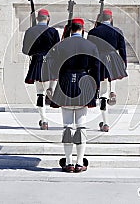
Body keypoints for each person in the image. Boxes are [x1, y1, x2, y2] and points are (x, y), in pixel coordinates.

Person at [49, 18, 100, 173]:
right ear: (82, 29)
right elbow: (96, 69)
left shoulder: (61, 45)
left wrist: (52, 88)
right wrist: (95, 88)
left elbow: (53, 67)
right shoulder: (91, 45)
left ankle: (69, 162)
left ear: (70, 29)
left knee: (67, 126)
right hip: (84, 83)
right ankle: (79, 162)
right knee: (81, 125)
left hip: (65, 84)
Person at [87, 9, 127, 132]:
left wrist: (89, 66)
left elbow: (89, 50)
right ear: (111, 18)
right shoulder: (117, 31)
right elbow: (122, 49)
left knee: (102, 91)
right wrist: (123, 63)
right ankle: (113, 91)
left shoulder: (93, 32)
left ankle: (105, 123)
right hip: (113, 57)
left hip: (99, 59)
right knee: (112, 75)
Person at [22, 9, 60, 130]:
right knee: (55, 77)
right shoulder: (53, 31)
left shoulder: (30, 31)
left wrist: (35, 51)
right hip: (51, 60)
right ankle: (51, 89)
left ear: (37, 19)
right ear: (48, 18)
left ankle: (44, 121)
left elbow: (25, 50)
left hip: (37, 61)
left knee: (39, 93)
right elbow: (57, 49)